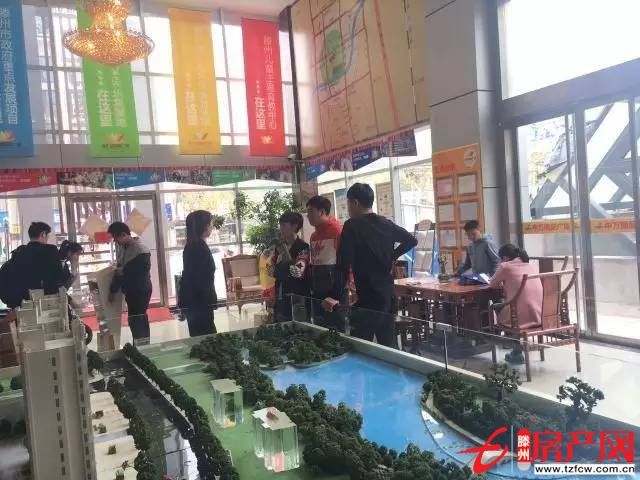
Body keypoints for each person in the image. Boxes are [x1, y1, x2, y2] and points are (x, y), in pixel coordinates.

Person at [323, 183, 417, 347]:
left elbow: (343, 265)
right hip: (387, 295)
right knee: (388, 346)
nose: (348, 209)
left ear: (355, 203)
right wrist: (392, 256)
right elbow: (411, 240)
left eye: (348, 204)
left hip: (367, 297)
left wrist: (334, 295)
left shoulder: (352, 226)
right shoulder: (386, 224)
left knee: (359, 346)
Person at [489, 244, 542, 364]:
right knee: (513, 303)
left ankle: (515, 349)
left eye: (501, 259)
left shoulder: (505, 266)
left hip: (519, 318)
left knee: (497, 303)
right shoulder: (530, 266)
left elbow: (492, 284)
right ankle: (512, 344)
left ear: (505, 258)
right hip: (538, 314)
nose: (501, 261)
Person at [0, 222, 64, 310]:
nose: (47, 240)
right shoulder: (51, 250)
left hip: (21, 307)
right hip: (45, 305)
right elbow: (59, 277)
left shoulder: (18, 253)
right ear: (43, 234)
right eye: (47, 236)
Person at [107, 222, 152, 345]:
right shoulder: (123, 249)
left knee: (138, 319)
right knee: (134, 319)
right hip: (131, 290)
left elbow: (143, 270)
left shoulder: (140, 249)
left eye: (116, 238)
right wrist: (113, 290)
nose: (115, 241)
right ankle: (139, 345)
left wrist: (124, 271)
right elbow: (119, 271)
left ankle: (143, 347)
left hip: (141, 290)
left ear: (123, 234)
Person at [306, 195, 344, 329]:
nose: (308, 215)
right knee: (320, 326)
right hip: (317, 289)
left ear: (322, 211)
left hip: (335, 290)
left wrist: (347, 287)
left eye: (310, 211)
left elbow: (345, 263)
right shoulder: (313, 236)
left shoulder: (337, 231)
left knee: (336, 326)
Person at [179, 210, 217, 337]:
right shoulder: (198, 248)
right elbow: (198, 279)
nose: (211, 227)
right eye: (210, 224)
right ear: (204, 226)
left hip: (195, 302)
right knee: (206, 339)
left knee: (201, 337)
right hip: (200, 303)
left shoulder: (193, 246)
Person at [271, 212, 310, 322]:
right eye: (280, 225)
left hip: (297, 293)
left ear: (294, 226)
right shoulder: (278, 247)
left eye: (284, 225)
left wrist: (284, 263)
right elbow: (272, 270)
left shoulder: (303, 247)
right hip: (281, 292)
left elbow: (297, 272)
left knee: (297, 324)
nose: (281, 228)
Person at [58, 240, 93, 344]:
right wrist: (71, 301)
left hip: (62, 298)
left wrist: (74, 272)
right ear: (69, 252)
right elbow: (60, 288)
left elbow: (65, 287)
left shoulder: (65, 265)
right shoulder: (56, 263)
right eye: (77, 254)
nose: (77, 258)